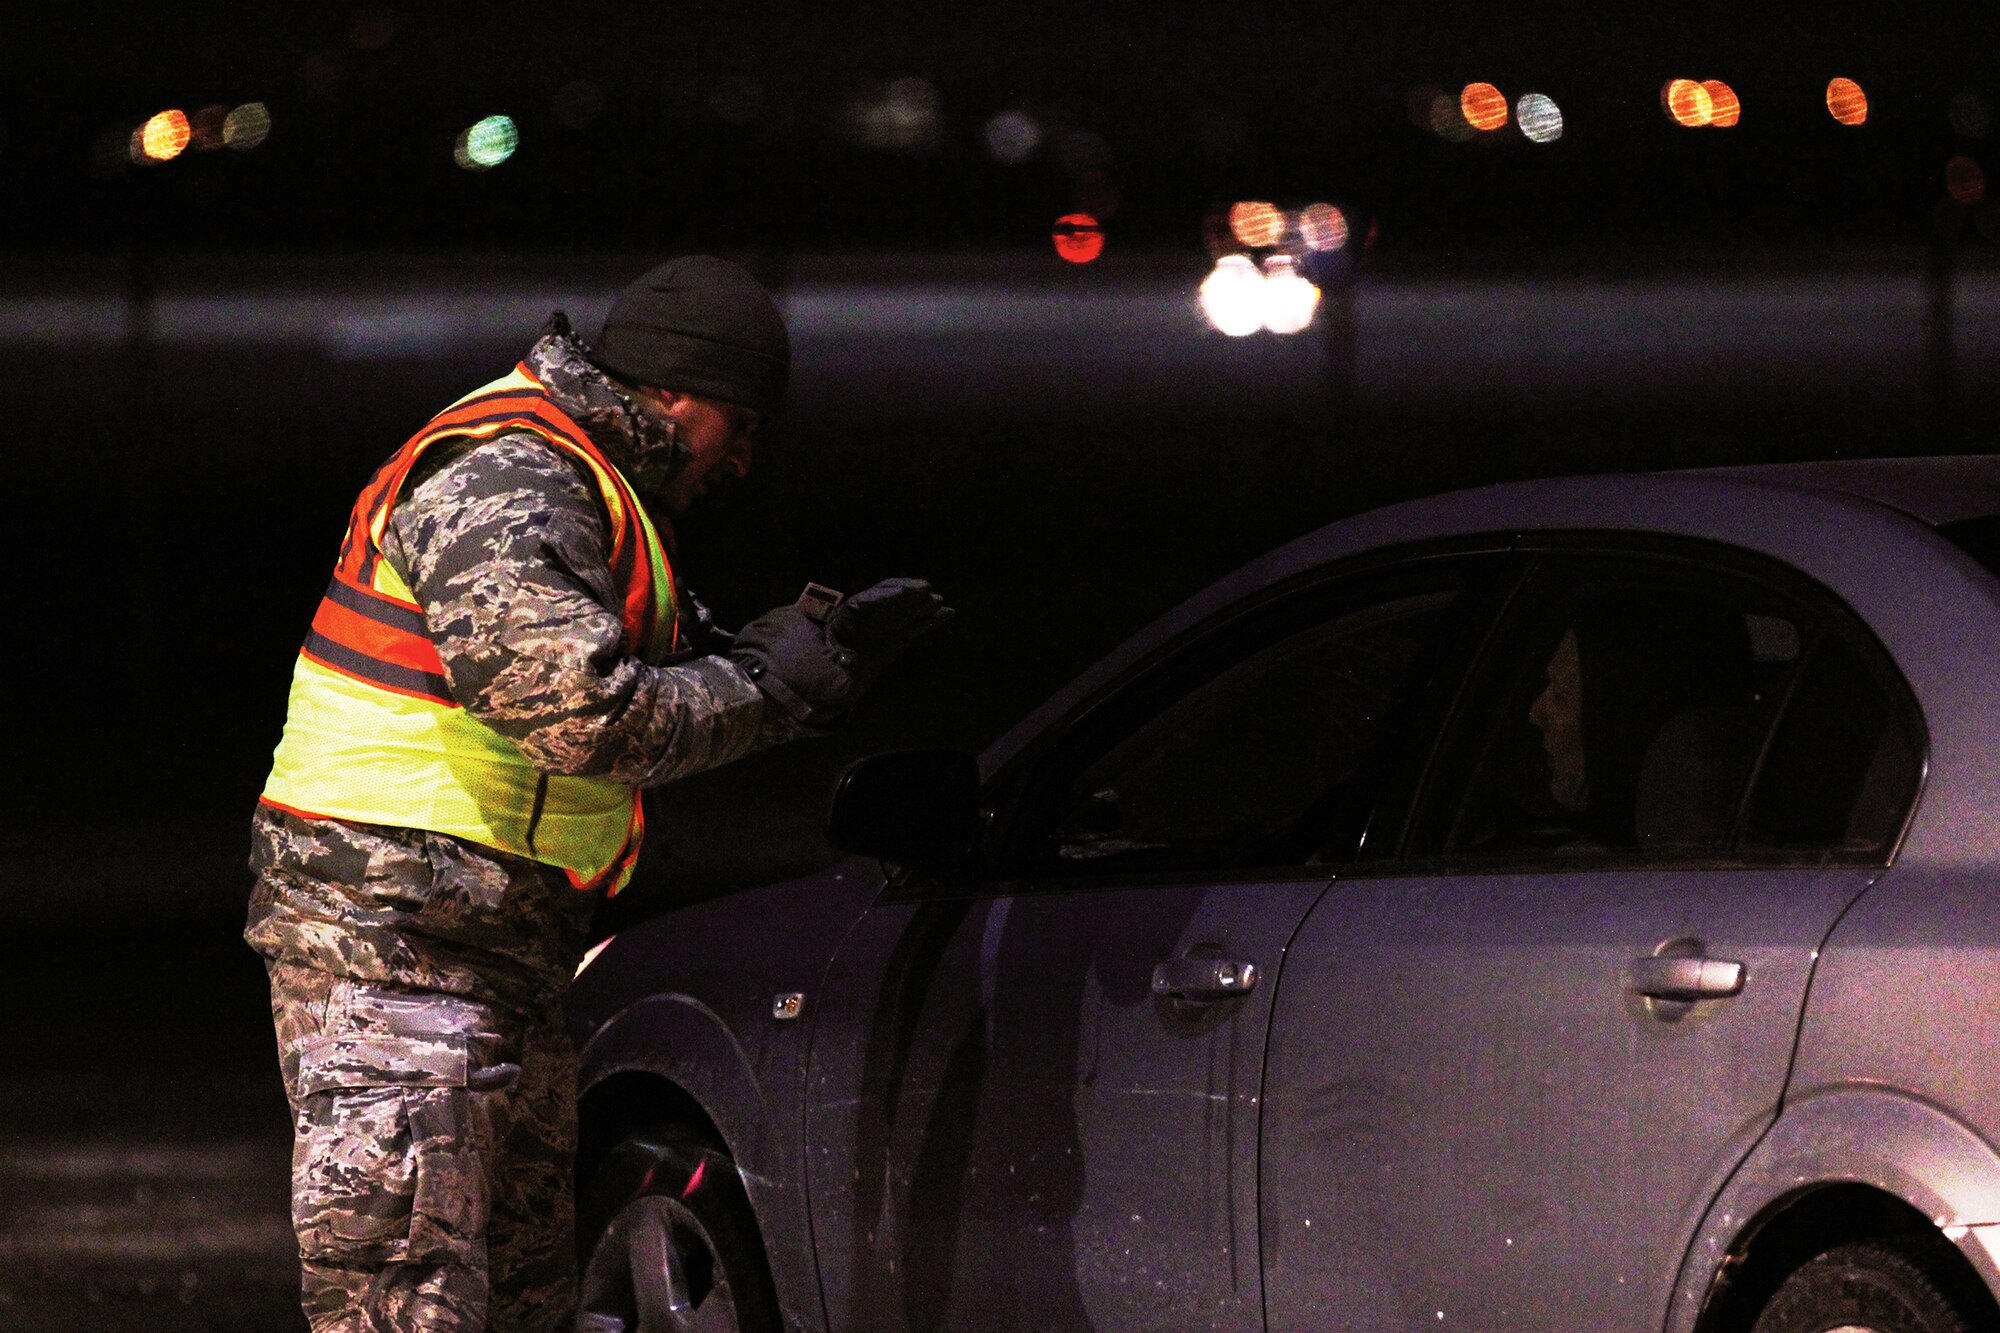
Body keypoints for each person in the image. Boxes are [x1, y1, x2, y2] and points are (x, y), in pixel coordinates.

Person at [245, 255, 950, 1333]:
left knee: (521, 1300)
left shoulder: (584, 481)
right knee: (408, 1304)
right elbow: (577, 716)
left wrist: (790, 655)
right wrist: (769, 689)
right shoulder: (509, 474)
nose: (745, 460)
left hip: (483, 950)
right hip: (392, 949)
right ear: (677, 391)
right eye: (742, 422)